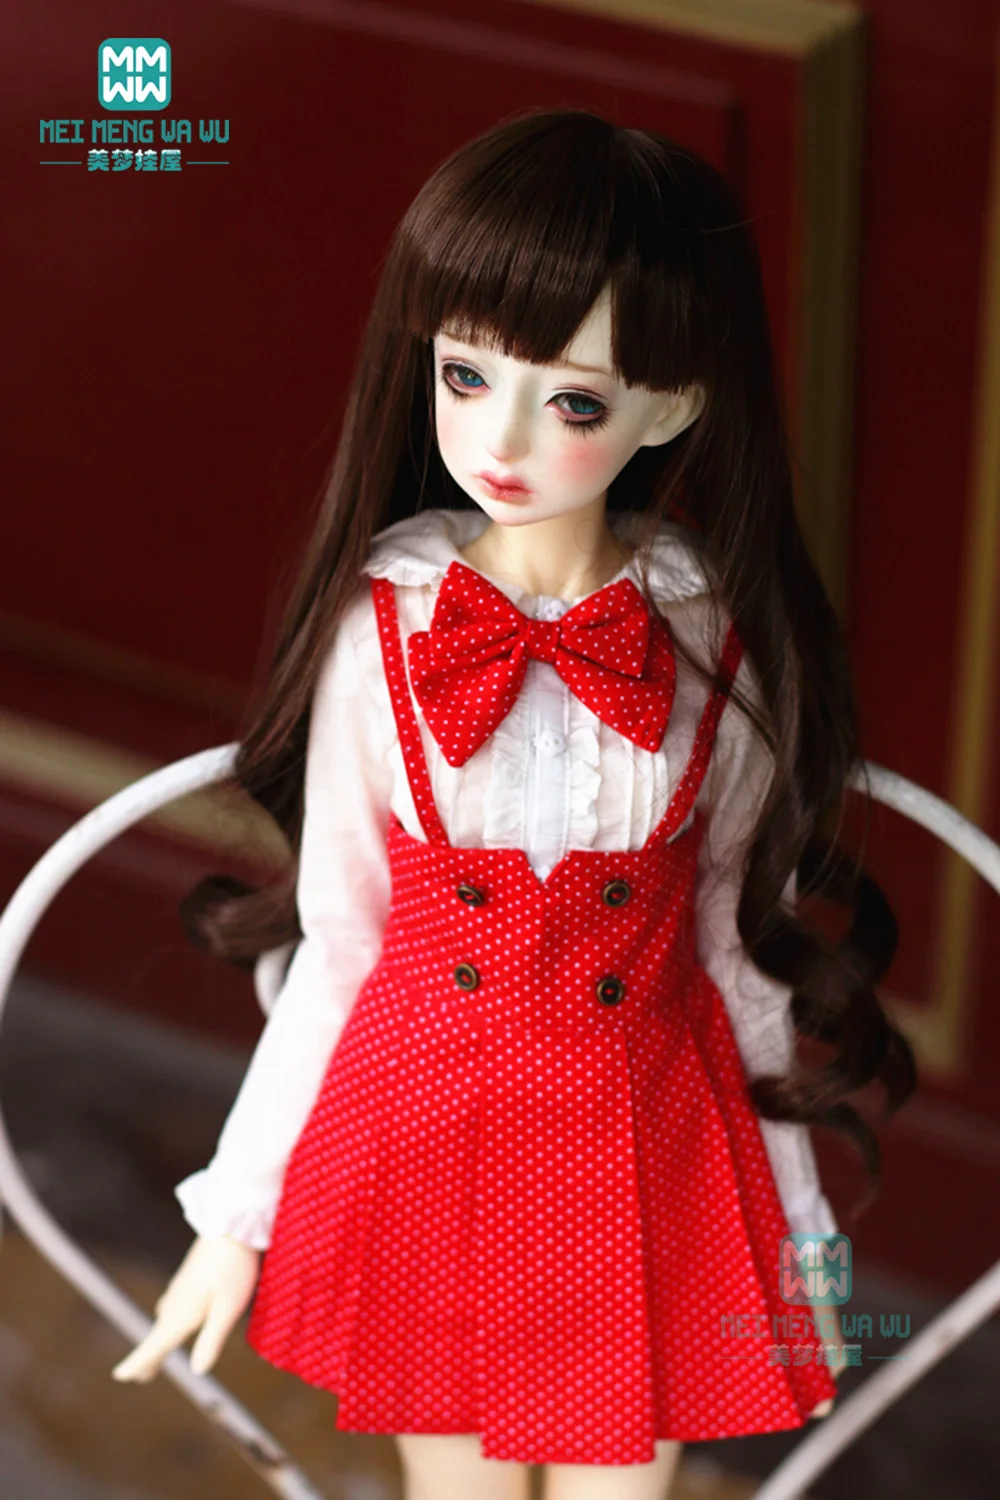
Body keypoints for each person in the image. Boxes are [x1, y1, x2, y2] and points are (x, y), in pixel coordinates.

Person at [110, 108, 916, 1499]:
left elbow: (741, 957)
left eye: (576, 402)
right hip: (426, 1136)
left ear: (673, 409)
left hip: (649, 1147)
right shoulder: (384, 631)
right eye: (466, 375)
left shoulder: (711, 646)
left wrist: (803, 1248)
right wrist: (235, 1220)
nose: (504, 437)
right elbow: (343, 946)